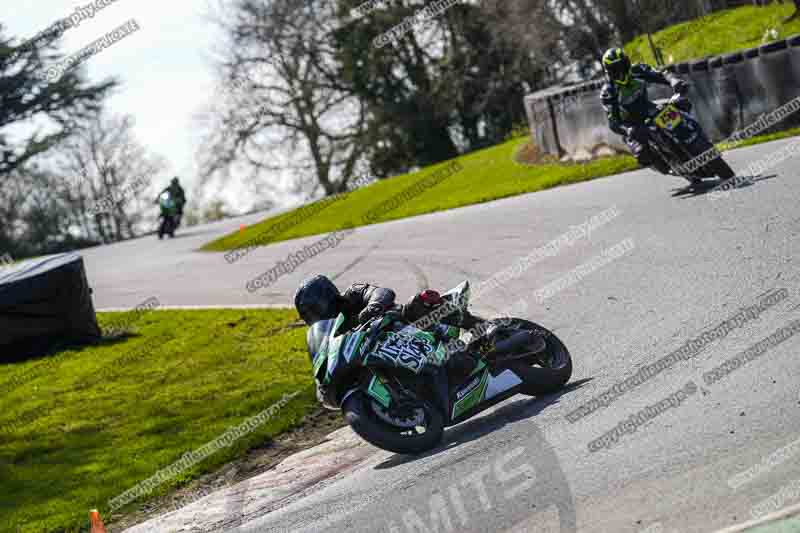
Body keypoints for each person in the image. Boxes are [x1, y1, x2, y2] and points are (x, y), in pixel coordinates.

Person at [294, 275, 478, 374]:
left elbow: (382, 292)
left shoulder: (352, 294)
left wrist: (373, 306)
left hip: (399, 326)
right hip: (380, 355)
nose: (313, 316)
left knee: (416, 305)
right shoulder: (329, 333)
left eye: (313, 310)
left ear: (324, 297)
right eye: (308, 315)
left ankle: (473, 328)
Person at [600, 47, 690, 175]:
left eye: (622, 65)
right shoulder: (608, 92)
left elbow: (661, 74)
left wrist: (674, 81)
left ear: (627, 62)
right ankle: (667, 165)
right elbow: (613, 122)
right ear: (608, 71)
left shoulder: (637, 70)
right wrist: (628, 130)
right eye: (615, 69)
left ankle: (692, 139)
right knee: (642, 154)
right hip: (632, 125)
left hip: (649, 108)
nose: (620, 71)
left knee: (682, 104)